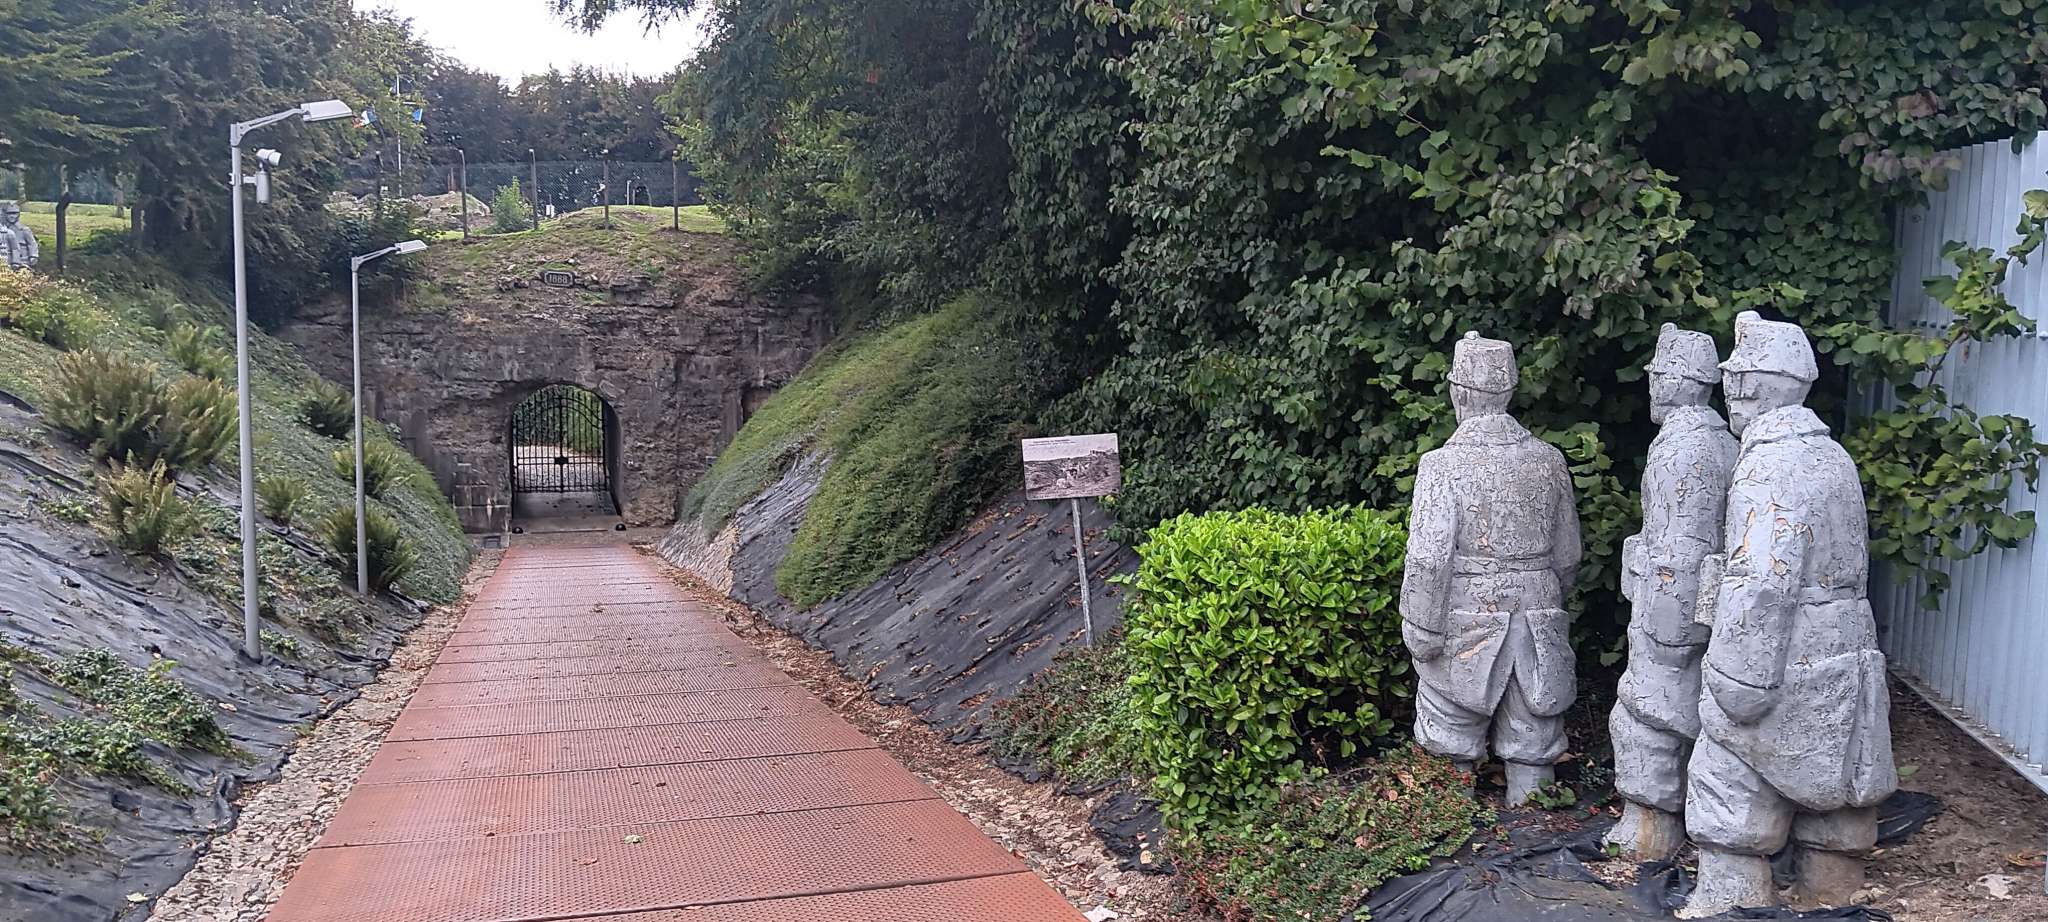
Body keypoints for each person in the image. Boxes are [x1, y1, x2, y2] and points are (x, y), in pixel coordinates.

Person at [1679, 311, 1897, 918]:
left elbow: (1761, 583)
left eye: (1734, 380)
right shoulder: (1831, 455)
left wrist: (1736, 676)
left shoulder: (1769, 465)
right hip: (1846, 641)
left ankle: (1731, 897)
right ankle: (1832, 887)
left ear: (1749, 385)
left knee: (1729, 769)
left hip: (1785, 648)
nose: (1729, 392)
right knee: (1840, 765)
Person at [1401, 331, 1582, 805]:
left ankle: (1450, 819)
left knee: (1449, 732)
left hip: (1466, 617)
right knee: (1533, 737)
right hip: (1539, 611)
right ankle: (1536, 816)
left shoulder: (1442, 466)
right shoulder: (1549, 460)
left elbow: (1428, 559)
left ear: (1458, 392)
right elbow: (1568, 555)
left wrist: (1421, 627)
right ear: (1509, 390)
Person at [1605, 324, 1739, 860]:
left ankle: (1652, 828)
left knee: (1647, 711)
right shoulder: (1723, 440)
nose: (1652, 385)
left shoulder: (1683, 448)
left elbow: (1682, 547)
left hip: (1671, 605)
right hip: (1695, 600)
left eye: (1657, 375)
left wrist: (1664, 627)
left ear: (1676, 381)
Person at [0, 201, 40, 269]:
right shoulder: (4, 230)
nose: (12, 216)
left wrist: (33, 256)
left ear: (18, 214)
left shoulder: (24, 230)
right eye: (9, 213)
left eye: (14, 213)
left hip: (23, 261)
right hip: (8, 261)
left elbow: (32, 244)